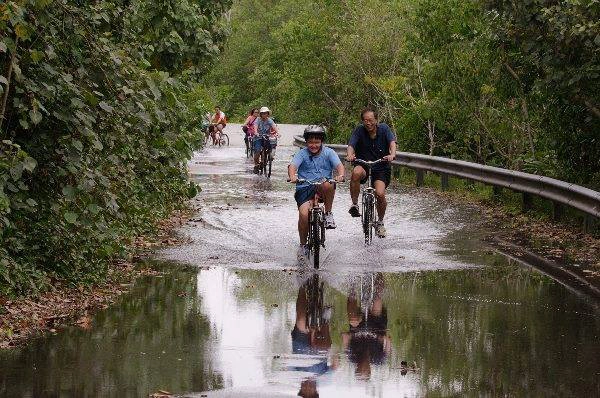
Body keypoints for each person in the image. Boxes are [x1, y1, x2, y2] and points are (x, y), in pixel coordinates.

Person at [288, 125, 345, 261]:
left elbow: (339, 166)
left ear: (321, 142)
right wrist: (292, 176)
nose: (313, 145)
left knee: (328, 183)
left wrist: (341, 175)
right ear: (306, 142)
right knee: (303, 215)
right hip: (305, 187)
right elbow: (293, 166)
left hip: (323, 187)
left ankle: (328, 214)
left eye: (317, 142)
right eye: (311, 142)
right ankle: (303, 245)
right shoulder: (301, 153)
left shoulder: (329, 152)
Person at [346, 106, 397, 238]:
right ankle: (355, 204)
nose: (368, 123)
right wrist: (350, 155)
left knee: (380, 194)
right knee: (356, 173)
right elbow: (351, 145)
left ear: (376, 120)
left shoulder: (384, 129)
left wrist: (392, 154)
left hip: (380, 166)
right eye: (365, 120)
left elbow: (392, 142)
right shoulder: (359, 130)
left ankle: (380, 222)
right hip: (363, 164)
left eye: (370, 120)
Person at [253, 106, 279, 173]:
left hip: (266, 137)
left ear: (268, 114)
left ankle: (264, 160)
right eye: (263, 113)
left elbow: (274, 126)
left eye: (266, 113)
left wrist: (278, 133)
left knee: (268, 148)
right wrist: (256, 132)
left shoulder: (269, 120)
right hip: (258, 137)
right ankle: (256, 164)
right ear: (261, 114)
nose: (264, 115)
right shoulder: (258, 120)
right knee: (257, 151)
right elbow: (255, 126)